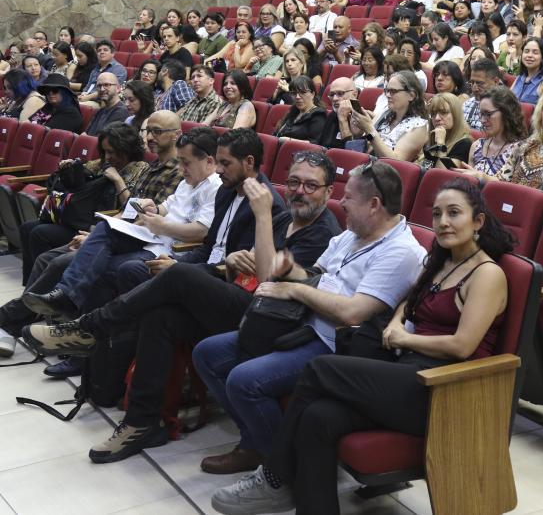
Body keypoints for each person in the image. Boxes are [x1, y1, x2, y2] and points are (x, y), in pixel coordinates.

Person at [211, 177, 510, 514]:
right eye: (438, 213)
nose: (443, 222)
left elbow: (462, 346)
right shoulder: (441, 263)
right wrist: (397, 322)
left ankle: (275, 473)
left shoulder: (487, 274)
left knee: (319, 368)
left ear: (478, 221)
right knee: (318, 417)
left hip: (444, 389)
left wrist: (404, 337)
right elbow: (406, 303)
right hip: (406, 372)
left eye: (454, 213)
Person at [21, 130, 310, 463]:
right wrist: (180, 262)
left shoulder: (273, 209)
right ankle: (143, 422)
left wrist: (187, 267)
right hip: (208, 279)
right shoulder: (228, 193)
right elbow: (208, 248)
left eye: (226, 163)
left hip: (242, 298)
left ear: (249, 162)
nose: (218, 170)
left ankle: (89, 329)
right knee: (158, 313)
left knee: (174, 274)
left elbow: (261, 278)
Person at [22, 127, 223, 320]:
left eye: (186, 163)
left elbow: (202, 231)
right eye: (180, 161)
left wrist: (162, 226)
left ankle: (79, 325)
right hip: (151, 237)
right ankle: (66, 296)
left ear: (209, 161)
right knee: (105, 228)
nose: (181, 168)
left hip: (169, 249)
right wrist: (153, 208)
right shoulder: (186, 182)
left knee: (96, 267)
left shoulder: (215, 187)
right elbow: (167, 207)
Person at [350, 71, 428, 163]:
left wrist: (369, 129)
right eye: (387, 90)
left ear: (411, 95)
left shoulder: (418, 127)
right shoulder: (385, 113)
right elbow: (367, 143)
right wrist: (361, 128)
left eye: (393, 91)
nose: (387, 95)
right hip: (368, 166)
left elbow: (396, 162)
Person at [463, 86, 525, 177]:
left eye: (488, 114)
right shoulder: (476, 146)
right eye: (481, 114)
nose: (483, 120)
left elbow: (514, 189)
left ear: (506, 113)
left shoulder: (520, 150)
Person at [421, 93, 473, 170]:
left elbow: (442, 174)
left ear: (456, 115)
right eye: (433, 114)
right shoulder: (431, 137)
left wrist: (440, 144)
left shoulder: (464, 143)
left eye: (444, 112)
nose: (437, 118)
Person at [273, 76, 325, 143]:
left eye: (302, 92)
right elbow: (277, 133)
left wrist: (289, 141)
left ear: (313, 94)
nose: (297, 97)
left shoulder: (318, 115)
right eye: (294, 93)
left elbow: (314, 143)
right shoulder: (293, 111)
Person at [78, 39, 128, 108]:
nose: (101, 52)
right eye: (99, 50)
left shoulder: (119, 69)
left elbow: (111, 90)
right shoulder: (95, 69)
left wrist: (88, 97)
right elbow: (88, 86)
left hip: (101, 101)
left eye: (105, 50)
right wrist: (83, 94)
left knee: (76, 106)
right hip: (87, 98)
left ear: (112, 53)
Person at [511, 37, 543, 105]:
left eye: (535, 52)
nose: (529, 55)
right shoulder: (519, 78)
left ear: (542, 57)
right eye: (526, 51)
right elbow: (507, 103)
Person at [463, 58, 502, 131]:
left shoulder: (504, 108)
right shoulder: (468, 104)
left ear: (496, 82)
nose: (474, 88)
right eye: (472, 82)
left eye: (480, 83)